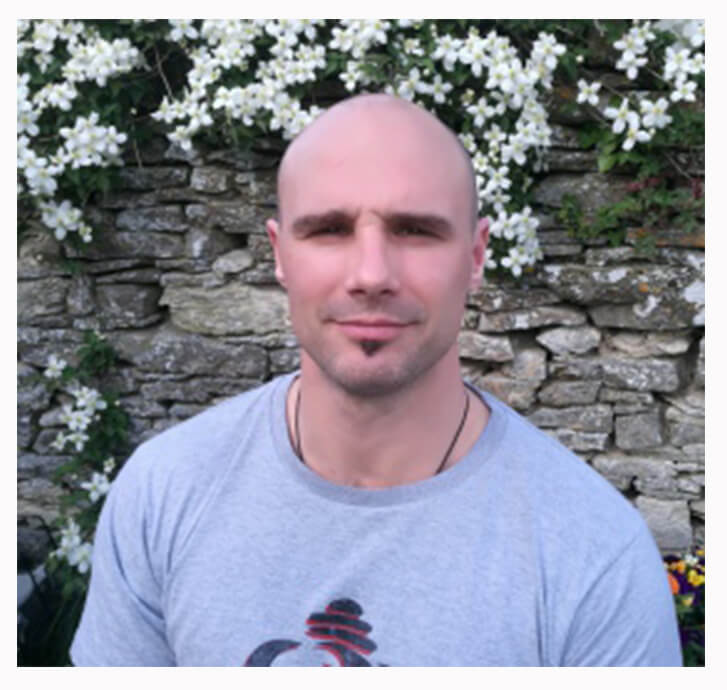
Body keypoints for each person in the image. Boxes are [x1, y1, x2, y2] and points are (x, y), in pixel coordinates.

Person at [70, 94, 681, 666]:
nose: (370, 274)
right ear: (280, 254)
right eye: (329, 229)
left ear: (475, 256)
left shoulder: (595, 555)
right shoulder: (163, 493)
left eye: (415, 230)